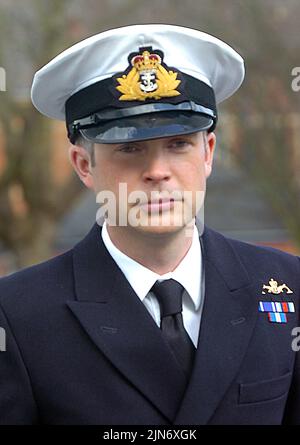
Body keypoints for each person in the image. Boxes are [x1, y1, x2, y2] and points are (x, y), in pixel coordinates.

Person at [0, 24, 299, 425]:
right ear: (84, 165)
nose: (158, 171)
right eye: (129, 148)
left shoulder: (286, 286)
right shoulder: (18, 316)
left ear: (208, 153)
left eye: (178, 144)